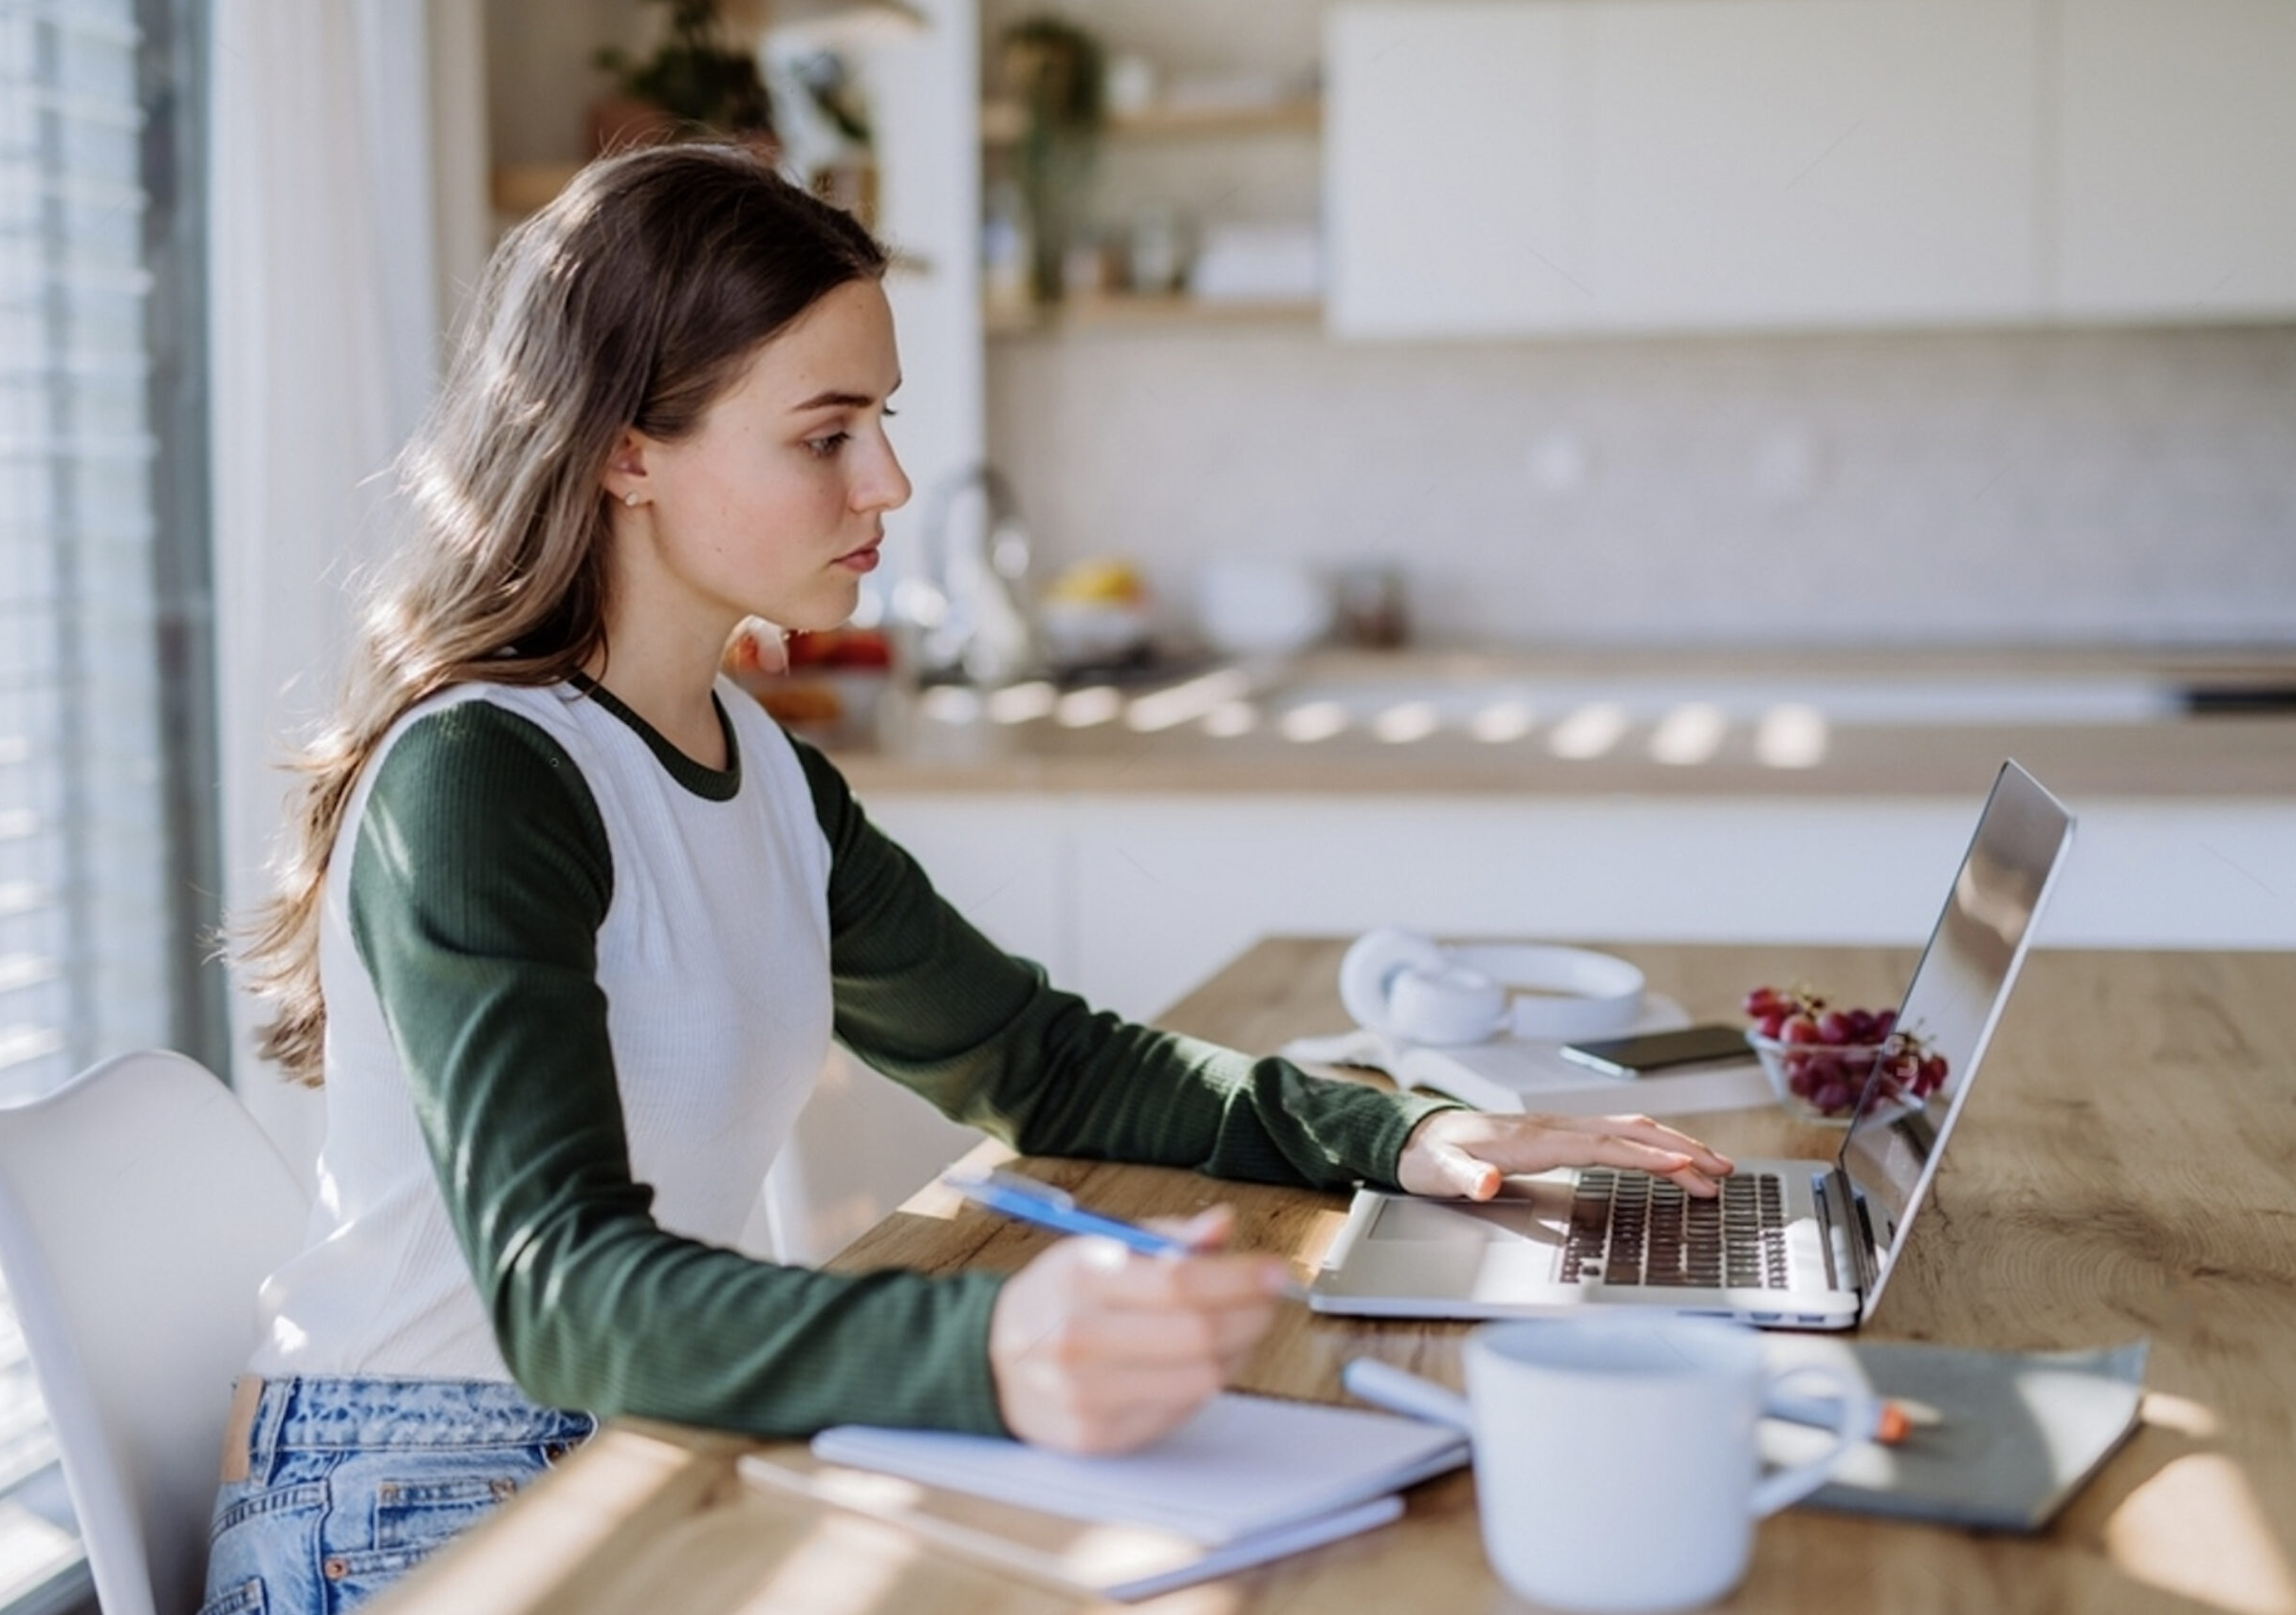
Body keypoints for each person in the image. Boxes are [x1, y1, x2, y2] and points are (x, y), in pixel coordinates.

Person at [208, 142, 1732, 1615]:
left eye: (880, 419)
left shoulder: (758, 764)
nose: (891, 477)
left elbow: (1041, 1061)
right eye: (826, 434)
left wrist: (1417, 1135)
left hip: (636, 1434)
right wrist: (990, 1342)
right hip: (410, 1487)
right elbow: (563, 1292)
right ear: (626, 452)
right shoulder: (481, 776)